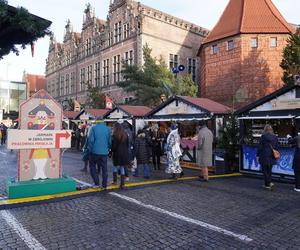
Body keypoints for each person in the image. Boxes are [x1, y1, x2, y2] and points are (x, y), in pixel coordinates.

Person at [87, 116, 111, 189]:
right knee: (104, 168)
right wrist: (108, 148)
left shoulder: (93, 128)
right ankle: (104, 185)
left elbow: (90, 141)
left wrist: (90, 149)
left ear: (96, 120)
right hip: (104, 152)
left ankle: (96, 183)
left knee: (92, 166)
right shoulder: (108, 129)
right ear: (103, 121)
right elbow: (110, 141)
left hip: (94, 151)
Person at [256, 124, 279, 189]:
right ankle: (268, 183)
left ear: (265, 129)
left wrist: (257, 156)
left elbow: (260, 147)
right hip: (272, 155)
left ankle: (268, 183)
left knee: (265, 170)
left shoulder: (263, 137)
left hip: (264, 155)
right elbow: (277, 147)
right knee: (269, 170)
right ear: (271, 129)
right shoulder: (275, 137)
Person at [111, 123, 130, 189]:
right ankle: (122, 184)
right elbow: (128, 144)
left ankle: (115, 181)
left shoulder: (115, 135)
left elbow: (114, 146)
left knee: (115, 167)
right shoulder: (125, 134)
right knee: (122, 168)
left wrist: (111, 151)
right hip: (124, 153)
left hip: (117, 154)